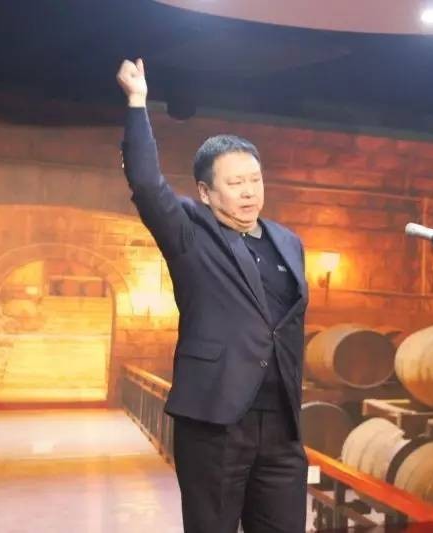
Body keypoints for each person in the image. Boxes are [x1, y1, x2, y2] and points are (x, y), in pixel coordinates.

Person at [117, 58, 309, 533]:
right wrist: (137, 102)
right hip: (215, 420)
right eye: (235, 183)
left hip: (281, 425)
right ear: (205, 192)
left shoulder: (288, 242)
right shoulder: (190, 233)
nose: (249, 192)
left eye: (255, 180)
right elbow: (146, 184)